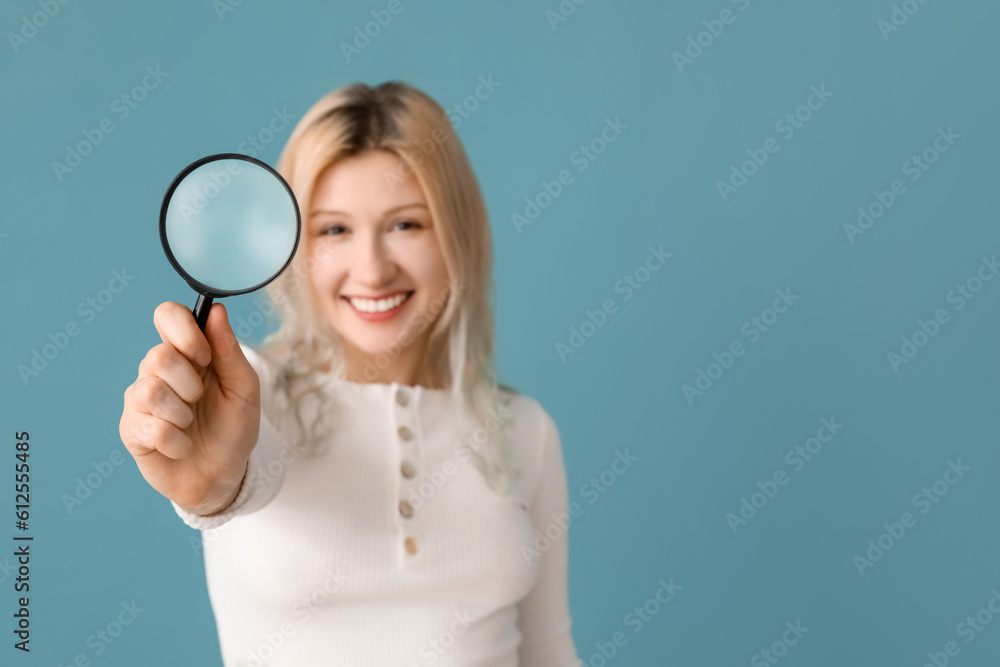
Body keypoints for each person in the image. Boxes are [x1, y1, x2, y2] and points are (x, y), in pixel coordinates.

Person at [119, 81, 581, 666]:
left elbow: (549, 653)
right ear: (292, 249)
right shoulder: (245, 393)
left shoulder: (525, 429)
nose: (372, 269)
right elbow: (233, 477)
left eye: (406, 225)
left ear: (458, 235)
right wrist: (208, 488)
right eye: (334, 230)